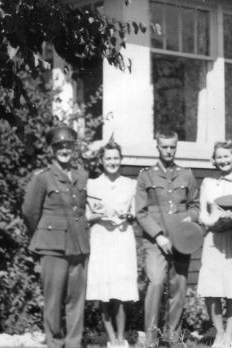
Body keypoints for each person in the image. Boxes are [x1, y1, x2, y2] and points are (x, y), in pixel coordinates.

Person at [22, 125, 89, 348]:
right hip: (53, 247)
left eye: (68, 145)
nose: (64, 150)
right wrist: (44, 235)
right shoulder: (43, 178)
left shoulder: (82, 176)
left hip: (78, 245)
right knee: (53, 301)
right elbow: (30, 212)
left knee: (76, 301)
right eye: (59, 146)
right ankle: (54, 343)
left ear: (74, 148)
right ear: (52, 150)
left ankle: (73, 344)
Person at [135, 130, 199, 347]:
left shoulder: (186, 174)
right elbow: (141, 212)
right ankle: (151, 339)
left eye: (172, 147)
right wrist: (158, 236)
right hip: (156, 241)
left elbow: (195, 205)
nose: (169, 151)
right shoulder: (146, 175)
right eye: (165, 147)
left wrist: (190, 218)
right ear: (158, 147)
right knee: (155, 283)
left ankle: (172, 337)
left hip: (181, 239)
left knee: (178, 287)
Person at [86, 141, 139, 348]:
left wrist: (128, 215)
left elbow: (135, 213)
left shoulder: (130, 184)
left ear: (121, 159)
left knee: (121, 291)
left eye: (116, 158)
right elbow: (88, 215)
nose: (112, 162)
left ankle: (121, 338)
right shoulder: (92, 184)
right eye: (108, 158)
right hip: (102, 239)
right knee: (104, 291)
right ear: (101, 160)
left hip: (122, 238)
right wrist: (101, 215)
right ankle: (111, 339)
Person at [196, 142, 232, 348]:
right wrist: (213, 222)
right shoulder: (208, 183)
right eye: (219, 157)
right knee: (211, 289)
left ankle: (230, 334)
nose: (223, 160)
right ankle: (219, 332)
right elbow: (202, 214)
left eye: (227, 156)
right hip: (213, 239)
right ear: (214, 160)